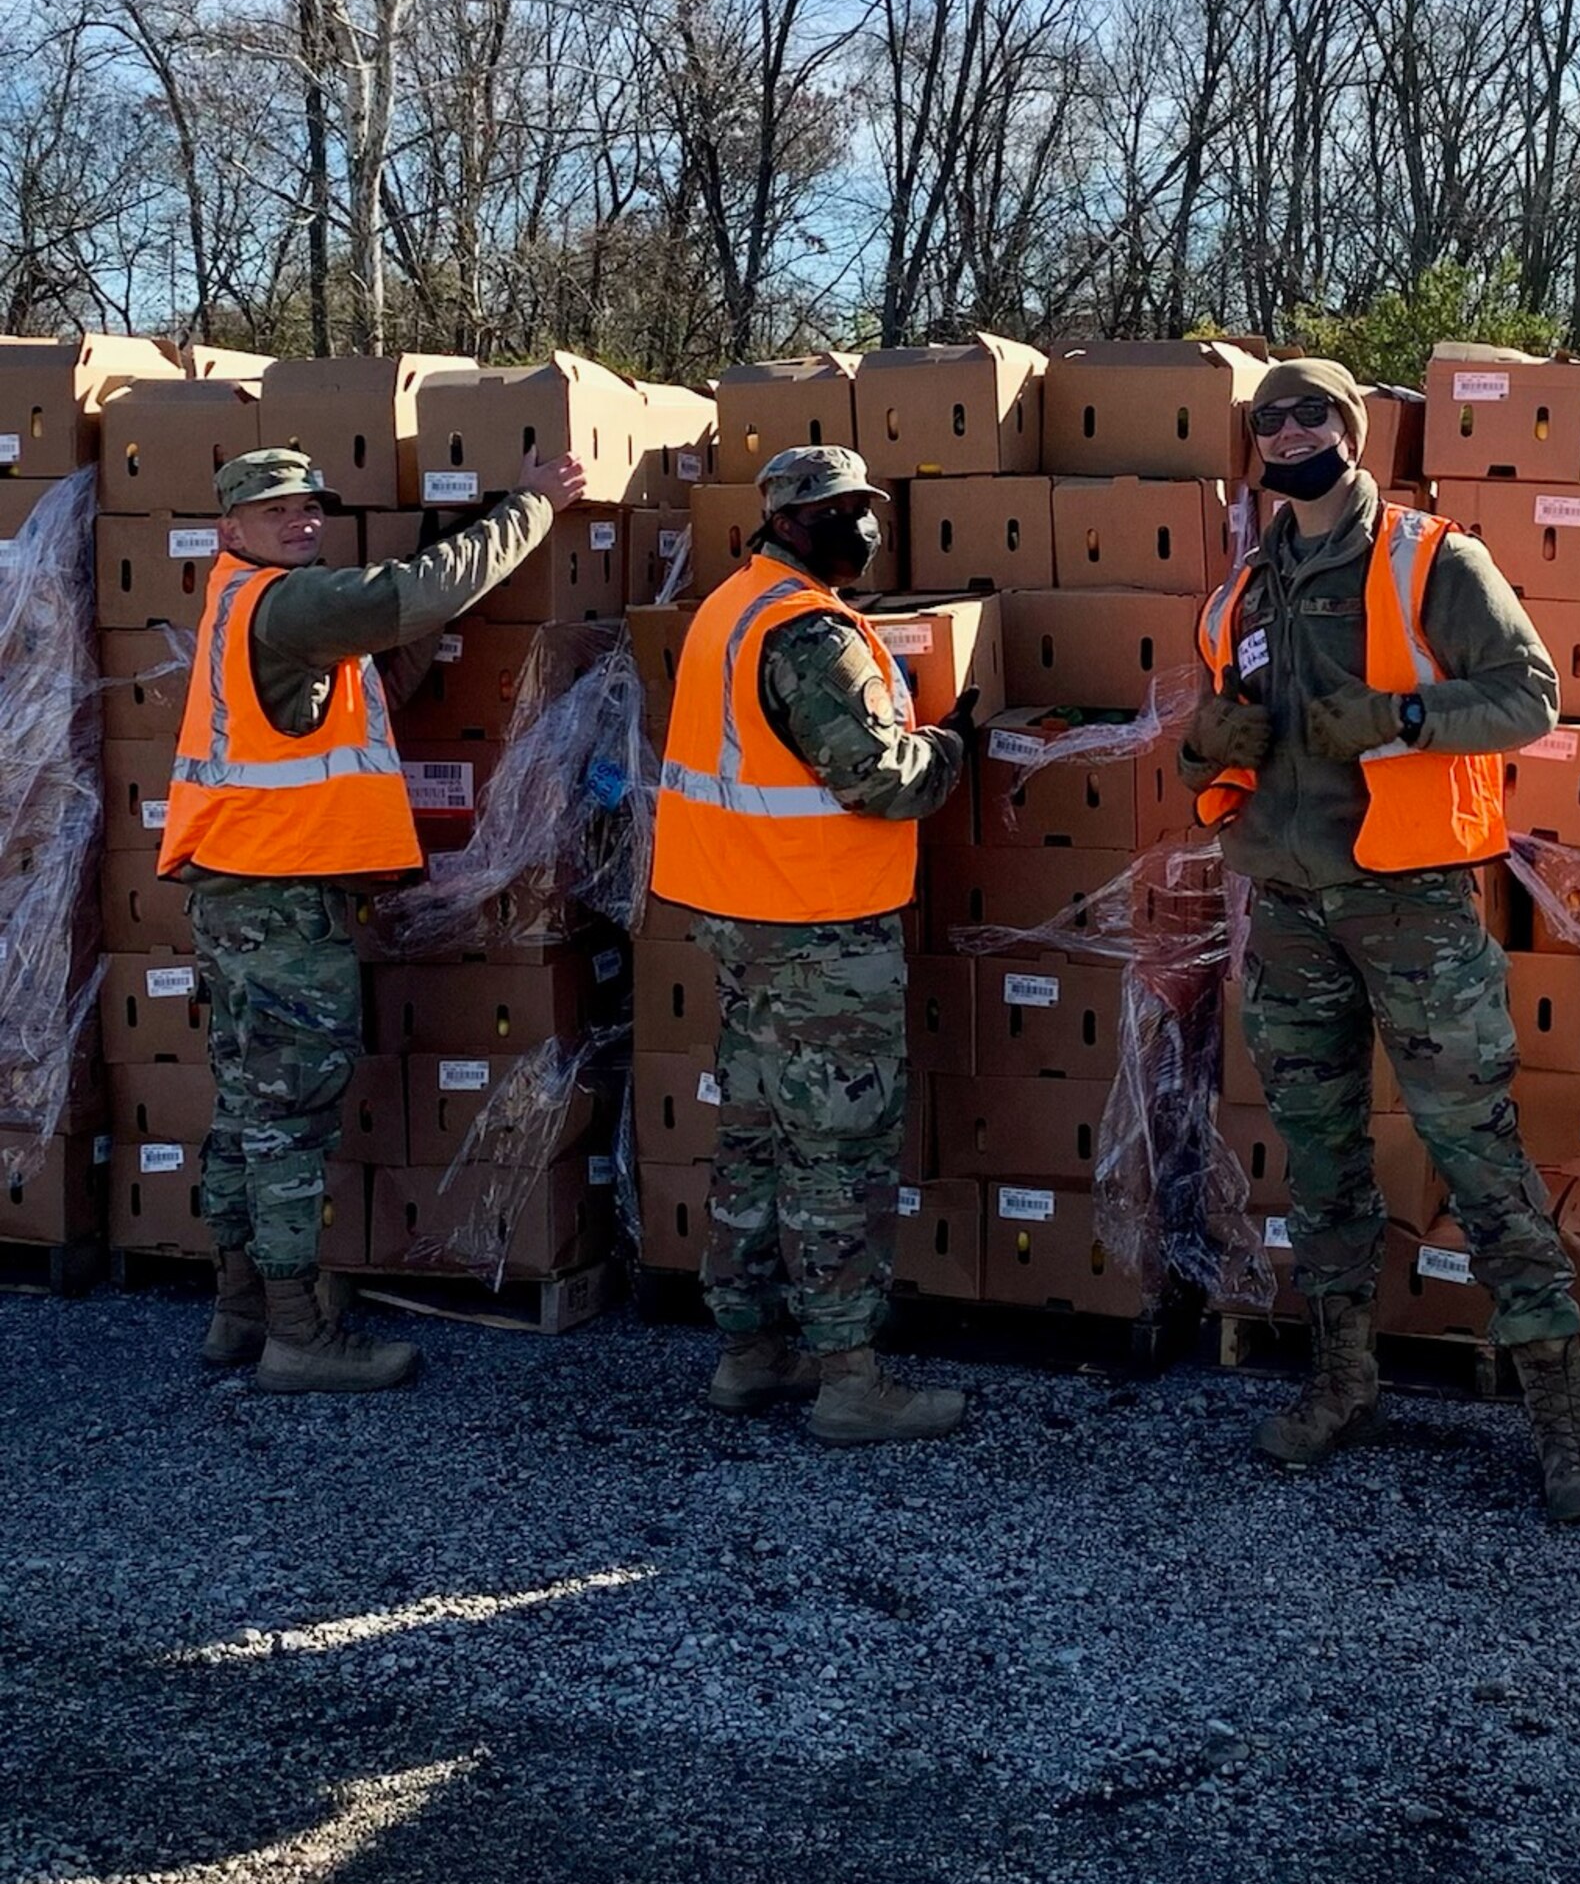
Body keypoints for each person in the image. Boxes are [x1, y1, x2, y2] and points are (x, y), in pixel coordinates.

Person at [1180, 360, 1580, 1523]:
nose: (1286, 433)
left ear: (1352, 430)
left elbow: (1528, 697)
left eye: (1309, 413)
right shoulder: (1240, 593)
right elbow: (1223, 744)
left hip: (1411, 905)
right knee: (1320, 1166)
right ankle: (1343, 1382)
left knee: (1477, 1156)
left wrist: (1401, 717)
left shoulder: (1431, 558)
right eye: (1266, 418)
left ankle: (1563, 1425)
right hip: (1287, 909)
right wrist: (1200, 745)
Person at [157, 444, 586, 1392]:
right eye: (276, 511)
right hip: (279, 901)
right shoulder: (288, 601)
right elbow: (422, 591)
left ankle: (239, 1312)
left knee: (245, 1112)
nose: (301, 520)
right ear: (231, 530)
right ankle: (298, 1335)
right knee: (287, 1121)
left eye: (310, 506)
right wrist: (530, 507)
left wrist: (418, 645)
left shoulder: (246, 604)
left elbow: (358, 704)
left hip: (241, 893)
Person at [651, 445, 975, 1445]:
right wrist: (955, 740)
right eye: (838, 511)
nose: (862, 527)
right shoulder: (809, 631)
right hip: (818, 933)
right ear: (788, 521)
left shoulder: (730, 605)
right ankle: (847, 1377)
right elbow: (880, 777)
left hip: (743, 923)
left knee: (752, 1140)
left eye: (865, 507)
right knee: (838, 1149)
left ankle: (750, 1353)